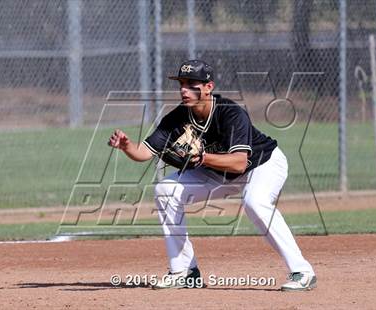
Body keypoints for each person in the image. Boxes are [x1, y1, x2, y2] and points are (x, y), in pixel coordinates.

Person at [108, 60, 316, 291]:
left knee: (254, 201)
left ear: (208, 87)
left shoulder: (230, 113)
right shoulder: (176, 118)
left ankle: (302, 271)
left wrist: (202, 158)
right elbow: (144, 152)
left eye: (191, 84)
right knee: (165, 190)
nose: (184, 90)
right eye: (182, 84)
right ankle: (184, 271)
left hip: (262, 165)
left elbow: (239, 163)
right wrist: (126, 146)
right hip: (216, 171)